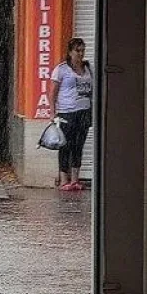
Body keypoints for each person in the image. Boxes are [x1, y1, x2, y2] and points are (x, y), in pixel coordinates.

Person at [49, 38, 93, 190]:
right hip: (66, 112)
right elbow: (53, 93)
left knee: (78, 145)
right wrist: (53, 112)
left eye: (82, 50)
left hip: (84, 111)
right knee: (65, 145)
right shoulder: (61, 69)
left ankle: (75, 179)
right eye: (77, 51)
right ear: (70, 52)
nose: (80, 54)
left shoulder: (88, 68)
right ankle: (63, 179)